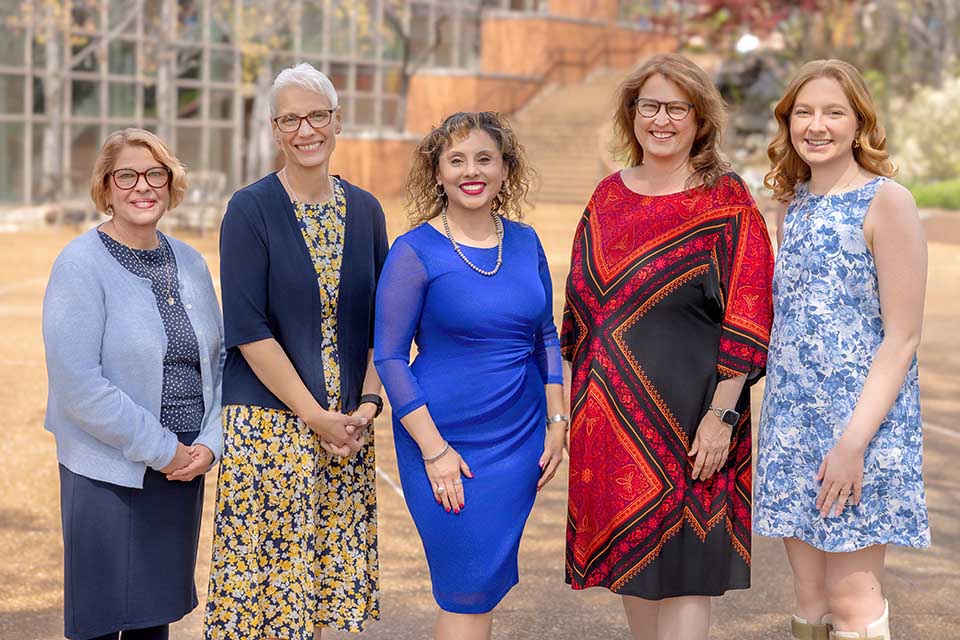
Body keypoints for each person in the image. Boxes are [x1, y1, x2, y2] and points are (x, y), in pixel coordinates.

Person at [560, 54, 775, 640]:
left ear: (699, 119)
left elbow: (750, 312)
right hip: (612, 427)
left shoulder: (726, 202)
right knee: (637, 580)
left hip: (695, 422)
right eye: (649, 106)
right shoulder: (607, 197)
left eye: (675, 108)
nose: (661, 119)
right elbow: (580, 317)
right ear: (632, 114)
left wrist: (722, 416)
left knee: (685, 579)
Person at [203, 63, 388, 640]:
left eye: (317, 115)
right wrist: (315, 417)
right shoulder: (249, 209)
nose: (305, 130)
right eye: (290, 118)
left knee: (324, 595)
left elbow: (385, 323)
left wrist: (366, 406)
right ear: (275, 128)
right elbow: (249, 328)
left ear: (337, 121)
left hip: (346, 429)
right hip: (272, 429)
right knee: (265, 603)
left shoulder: (367, 211)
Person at [374, 111, 566, 640]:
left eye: (484, 158)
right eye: (455, 160)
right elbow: (389, 357)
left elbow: (545, 336)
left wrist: (557, 421)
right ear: (436, 173)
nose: (470, 171)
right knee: (465, 586)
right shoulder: (414, 252)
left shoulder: (526, 242)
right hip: (444, 441)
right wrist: (435, 451)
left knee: (482, 590)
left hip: (520, 438)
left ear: (506, 169)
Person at [755, 59, 930, 640]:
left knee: (851, 597)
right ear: (787, 122)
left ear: (860, 122)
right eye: (803, 112)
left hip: (862, 429)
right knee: (808, 596)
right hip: (793, 425)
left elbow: (901, 338)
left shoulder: (888, 202)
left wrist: (853, 444)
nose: (817, 124)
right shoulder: (792, 205)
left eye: (834, 112)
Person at [42, 128, 224, 640]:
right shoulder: (80, 265)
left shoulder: (189, 262)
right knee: (101, 625)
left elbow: (220, 362)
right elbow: (79, 386)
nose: (142, 186)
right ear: (106, 187)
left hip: (181, 476)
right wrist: (163, 450)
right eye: (126, 175)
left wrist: (209, 445)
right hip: (107, 476)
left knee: (152, 622)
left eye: (155, 174)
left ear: (170, 184)